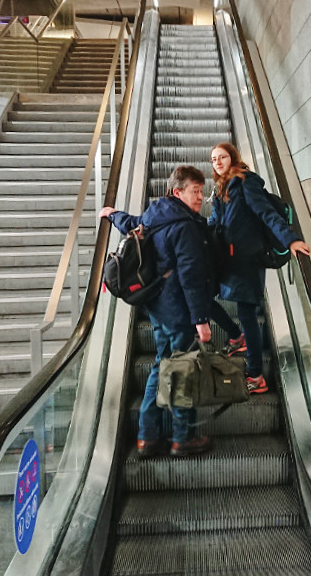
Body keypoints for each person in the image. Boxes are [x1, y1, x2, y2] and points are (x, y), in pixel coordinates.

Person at [99, 165, 213, 457]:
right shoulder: (185, 226)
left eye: (201, 191)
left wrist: (113, 214)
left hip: (158, 307)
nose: (200, 197)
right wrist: (200, 320)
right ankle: (182, 437)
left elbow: (132, 223)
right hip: (178, 311)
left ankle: (147, 437)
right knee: (183, 369)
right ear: (177, 192)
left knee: (161, 365)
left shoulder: (156, 213)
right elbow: (190, 277)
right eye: (195, 191)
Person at [208, 143, 310, 394]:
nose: (217, 162)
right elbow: (214, 223)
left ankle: (256, 376)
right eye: (213, 159)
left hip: (247, 260)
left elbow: (266, 213)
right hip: (227, 260)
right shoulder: (221, 188)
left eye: (222, 157)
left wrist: (290, 240)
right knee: (201, 296)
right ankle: (236, 337)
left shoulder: (246, 182)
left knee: (247, 314)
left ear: (233, 158)